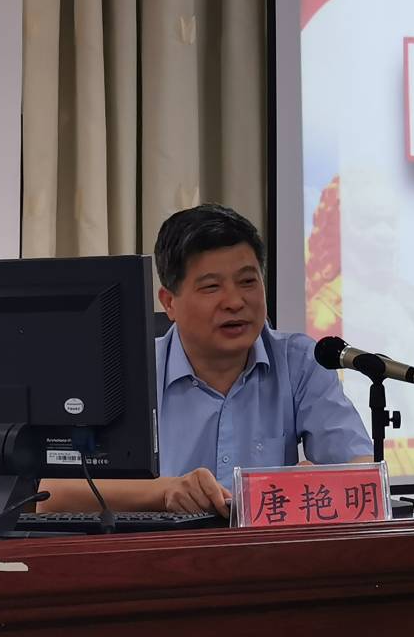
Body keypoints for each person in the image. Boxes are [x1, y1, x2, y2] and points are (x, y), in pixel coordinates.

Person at [40, 204, 372, 517]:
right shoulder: (128, 372)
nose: (235, 301)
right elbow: (51, 492)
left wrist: (319, 480)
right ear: (169, 303)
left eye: (247, 281)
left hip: (262, 552)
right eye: (212, 287)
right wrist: (164, 492)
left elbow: (362, 470)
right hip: (158, 553)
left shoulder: (299, 362)